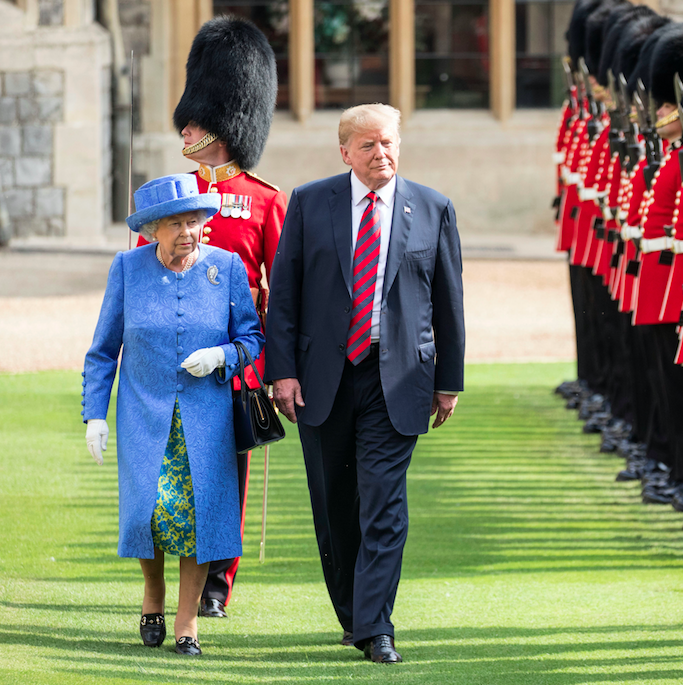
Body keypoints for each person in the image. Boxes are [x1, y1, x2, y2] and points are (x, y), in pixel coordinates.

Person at [265, 103, 465, 664]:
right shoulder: (309, 202)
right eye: (370, 146)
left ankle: (377, 625)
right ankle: (354, 613)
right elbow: (285, 296)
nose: (382, 155)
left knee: (383, 501)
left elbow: (449, 303)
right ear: (345, 151)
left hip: (397, 378)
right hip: (323, 378)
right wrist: (281, 372)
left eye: (390, 143)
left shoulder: (433, 208)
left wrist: (448, 382)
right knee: (335, 505)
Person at [133, 16, 287, 619]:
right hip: (173, 354)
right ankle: (163, 584)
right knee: (170, 471)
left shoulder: (266, 200)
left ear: (224, 124)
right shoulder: (171, 195)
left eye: (197, 121)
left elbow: (282, 292)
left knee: (228, 479)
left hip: (234, 362)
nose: (186, 129)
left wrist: (274, 366)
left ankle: (219, 580)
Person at [82, 173, 264, 655]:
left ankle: (187, 623)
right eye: (176, 223)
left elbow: (251, 339)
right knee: (151, 514)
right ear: (153, 230)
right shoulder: (127, 268)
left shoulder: (226, 267)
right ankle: (153, 594)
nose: (189, 231)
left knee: (197, 518)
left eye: (195, 221)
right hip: (144, 416)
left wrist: (221, 357)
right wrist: (94, 415)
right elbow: (103, 351)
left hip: (206, 421)